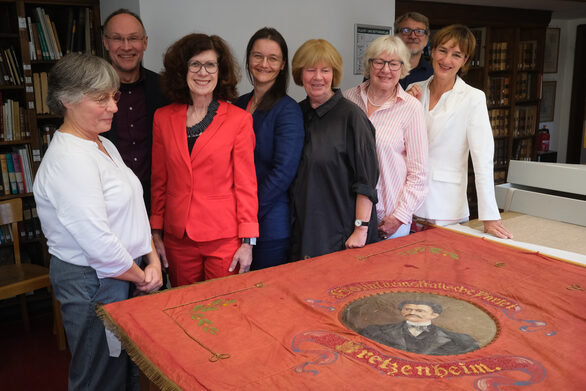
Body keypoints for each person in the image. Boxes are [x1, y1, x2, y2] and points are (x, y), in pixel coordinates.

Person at [33, 53, 163, 390]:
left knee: (129, 372)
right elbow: (99, 243)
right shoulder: (69, 160)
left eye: (114, 96)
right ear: (67, 100)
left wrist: (151, 260)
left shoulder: (101, 142)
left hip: (125, 272)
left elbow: (132, 209)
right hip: (94, 282)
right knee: (100, 378)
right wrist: (144, 278)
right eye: (101, 98)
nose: (114, 107)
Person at [151, 34, 258, 286]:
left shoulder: (238, 120)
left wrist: (248, 242)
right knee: (183, 309)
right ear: (182, 70)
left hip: (223, 238)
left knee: (221, 312)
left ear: (220, 72)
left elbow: (246, 185)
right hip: (178, 238)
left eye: (210, 65)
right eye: (195, 64)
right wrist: (156, 232)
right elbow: (159, 180)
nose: (203, 72)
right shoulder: (162, 118)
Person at [406, 25, 512, 239]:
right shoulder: (413, 90)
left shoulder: (473, 98)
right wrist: (406, 106)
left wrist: (490, 216)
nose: (447, 60)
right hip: (407, 203)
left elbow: (482, 159)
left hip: (446, 206)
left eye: (457, 55)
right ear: (432, 51)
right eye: (443, 50)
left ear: (465, 61)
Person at [290, 39, 379, 260]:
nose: (318, 77)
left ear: (334, 74)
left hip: (342, 232)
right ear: (300, 74)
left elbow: (366, 181)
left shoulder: (352, 117)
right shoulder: (294, 113)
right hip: (302, 229)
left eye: (325, 70)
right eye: (311, 70)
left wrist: (360, 229)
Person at [344, 35, 427, 240]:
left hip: (388, 220)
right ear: (369, 65)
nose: (386, 70)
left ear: (403, 68)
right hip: (346, 214)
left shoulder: (411, 108)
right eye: (379, 62)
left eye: (393, 63)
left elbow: (419, 174)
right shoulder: (347, 100)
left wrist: (398, 217)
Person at [234, 28, 304, 269]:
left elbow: (283, 173)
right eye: (257, 56)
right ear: (248, 59)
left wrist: (247, 213)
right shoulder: (238, 105)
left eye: (272, 58)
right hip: (236, 220)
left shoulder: (288, 110)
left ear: (283, 64)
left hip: (269, 225)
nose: (264, 64)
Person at [102, 9, 168, 214]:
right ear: (106, 43)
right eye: (117, 39)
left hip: (159, 203)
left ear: (145, 43)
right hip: (109, 203)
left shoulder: (166, 89)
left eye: (133, 39)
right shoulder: (90, 94)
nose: (126, 47)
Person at [360, 301, 479, 355]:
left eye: (419, 311)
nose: (412, 312)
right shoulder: (374, 331)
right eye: (408, 309)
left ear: (434, 315)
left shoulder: (462, 341)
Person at [395, 12, 434, 89]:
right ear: (396, 36)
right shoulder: (381, 69)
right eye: (406, 30)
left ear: (426, 39)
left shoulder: (433, 75)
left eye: (419, 31)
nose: (413, 36)